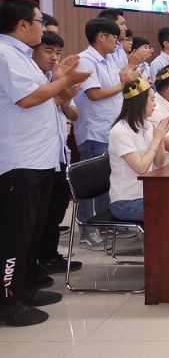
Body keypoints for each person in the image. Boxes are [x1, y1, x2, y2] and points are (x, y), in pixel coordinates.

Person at [0, 0, 90, 327]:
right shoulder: (5, 55)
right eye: (39, 21)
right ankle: (9, 300)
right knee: (15, 235)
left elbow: (45, 98)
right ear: (23, 24)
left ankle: (25, 288)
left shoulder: (23, 57)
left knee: (32, 232)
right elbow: (28, 99)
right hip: (19, 160)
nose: (43, 27)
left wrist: (60, 79)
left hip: (40, 158)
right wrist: (64, 79)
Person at [73, 18, 140, 251]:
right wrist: (123, 84)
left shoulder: (110, 59)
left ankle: (105, 225)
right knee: (88, 184)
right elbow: (94, 94)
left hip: (110, 129)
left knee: (106, 182)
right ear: (101, 36)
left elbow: (118, 84)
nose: (117, 43)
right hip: (94, 130)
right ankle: (86, 229)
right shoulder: (86, 60)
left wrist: (129, 74)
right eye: (114, 38)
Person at [31, 31, 82, 276]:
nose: (54, 57)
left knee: (55, 210)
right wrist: (62, 92)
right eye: (48, 51)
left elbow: (74, 114)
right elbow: (34, 107)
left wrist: (66, 95)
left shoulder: (54, 78)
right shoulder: (33, 80)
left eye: (58, 53)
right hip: (35, 156)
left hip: (58, 153)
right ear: (33, 51)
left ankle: (49, 256)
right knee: (37, 216)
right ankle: (35, 264)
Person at [108, 78, 169, 222]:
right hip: (126, 201)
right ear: (140, 102)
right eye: (152, 100)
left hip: (146, 193)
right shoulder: (120, 131)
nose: (155, 105)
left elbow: (159, 163)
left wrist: (161, 137)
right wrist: (156, 139)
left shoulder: (147, 126)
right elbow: (142, 168)